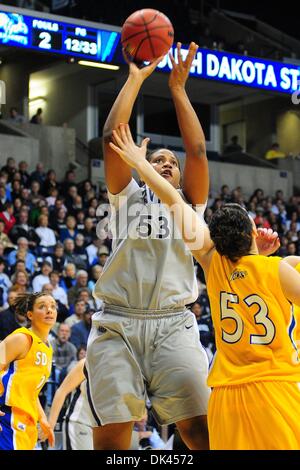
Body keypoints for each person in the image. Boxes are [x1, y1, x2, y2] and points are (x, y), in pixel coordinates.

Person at [110, 123, 300, 450]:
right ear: (253, 234)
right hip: (275, 387)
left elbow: (172, 201)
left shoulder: (213, 266)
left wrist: (141, 165)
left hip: (227, 394)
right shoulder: (279, 269)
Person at [85, 42, 210, 450]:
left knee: (201, 432)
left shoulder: (190, 203)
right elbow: (110, 138)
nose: (167, 162)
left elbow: (197, 150)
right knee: (113, 440)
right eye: (157, 159)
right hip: (117, 322)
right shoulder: (127, 197)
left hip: (173, 323)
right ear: (142, 166)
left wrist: (178, 88)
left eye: (171, 162)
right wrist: (136, 77)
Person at [0, 292, 57, 450]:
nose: (49, 310)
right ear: (30, 315)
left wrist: (43, 418)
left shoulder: (47, 348)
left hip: (27, 422)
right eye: (42, 307)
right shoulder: (22, 339)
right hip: (6, 417)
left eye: (53, 306)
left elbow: (30, 391)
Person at [48, 358, 93, 450]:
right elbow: (62, 391)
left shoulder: (122, 368)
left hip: (103, 428)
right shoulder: (87, 363)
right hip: (80, 423)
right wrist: (50, 425)